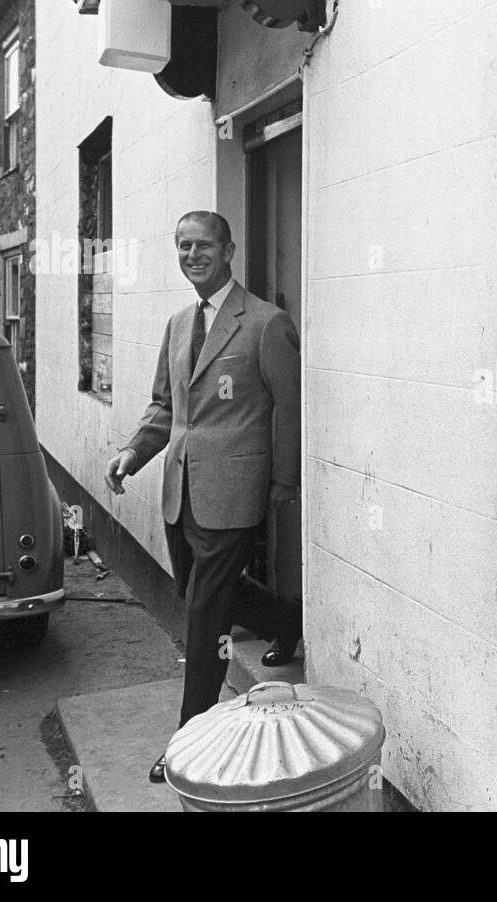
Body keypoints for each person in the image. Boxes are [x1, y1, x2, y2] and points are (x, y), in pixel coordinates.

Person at [104, 210, 302, 783]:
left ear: (229, 249)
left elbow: (287, 406)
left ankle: (189, 738)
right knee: (209, 594)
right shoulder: (175, 324)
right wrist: (133, 453)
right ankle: (285, 619)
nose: (193, 255)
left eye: (204, 245)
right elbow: (166, 408)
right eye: (183, 246)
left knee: (203, 613)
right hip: (179, 488)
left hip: (234, 491)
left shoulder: (266, 323)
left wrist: (284, 480)